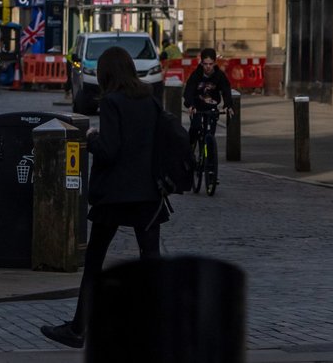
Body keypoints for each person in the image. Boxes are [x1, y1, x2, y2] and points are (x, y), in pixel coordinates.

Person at [39, 46, 167, 350]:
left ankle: (78, 329)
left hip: (116, 195)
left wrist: (92, 137)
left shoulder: (112, 102)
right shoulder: (149, 98)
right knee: (151, 260)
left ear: (107, 74)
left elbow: (109, 151)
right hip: (148, 193)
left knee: (95, 260)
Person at [183, 48, 233, 192]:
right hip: (197, 108)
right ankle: (190, 152)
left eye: (211, 64)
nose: (208, 67)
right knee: (195, 128)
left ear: (214, 63)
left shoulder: (219, 75)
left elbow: (226, 89)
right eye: (205, 64)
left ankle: (211, 169)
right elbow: (188, 91)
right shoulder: (196, 75)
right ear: (201, 63)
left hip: (211, 108)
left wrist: (228, 105)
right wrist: (190, 105)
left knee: (210, 137)